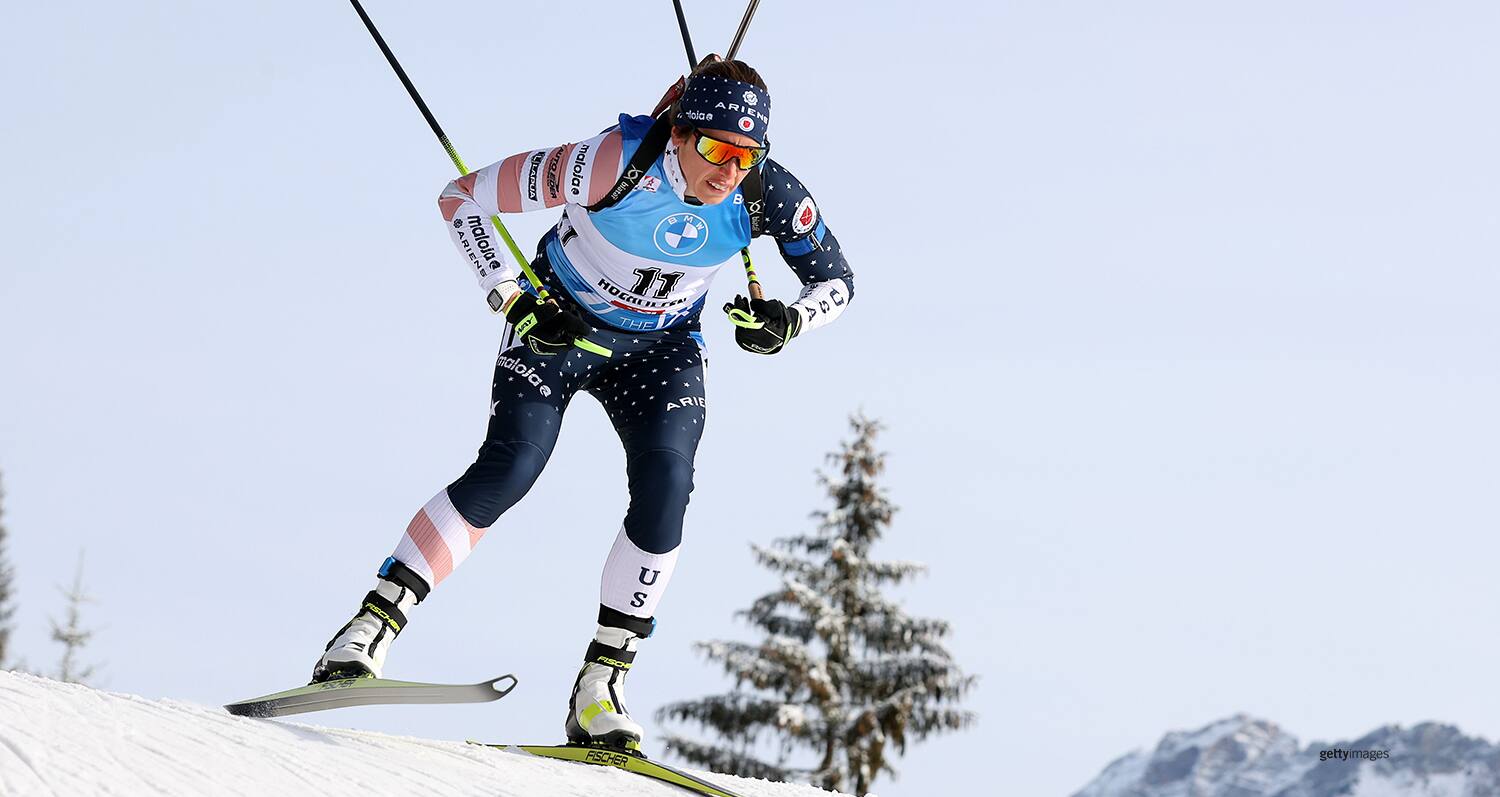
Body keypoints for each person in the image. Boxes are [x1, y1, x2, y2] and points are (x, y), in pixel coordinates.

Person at [310, 58, 854, 750]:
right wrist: (514, 298)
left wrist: (789, 321)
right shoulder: (609, 164)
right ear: (679, 133)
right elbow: (461, 198)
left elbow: (837, 281)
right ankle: (370, 626)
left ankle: (601, 685)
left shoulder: (764, 193)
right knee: (512, 465)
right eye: (716, 149)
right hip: (558, 327)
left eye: (747, 155)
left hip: (659, 351)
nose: (729, 171)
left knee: (667, 484)